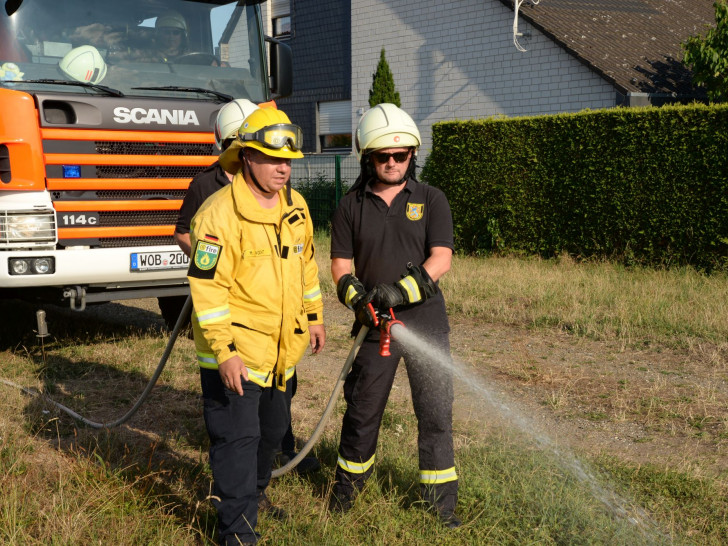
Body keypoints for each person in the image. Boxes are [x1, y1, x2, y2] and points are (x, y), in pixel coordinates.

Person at [188, 107, 325, 545]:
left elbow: (306, 265)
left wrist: (316, 317)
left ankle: (254, 498)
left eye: (288, 161)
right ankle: (237, 532)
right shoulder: (217, 214)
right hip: (236, 357)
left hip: (280, 354)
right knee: (238, 442)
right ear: (246, 155)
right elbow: (207, 290)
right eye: (272, 159)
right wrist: (225, 352)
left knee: (270, 435)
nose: (283, 168)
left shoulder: (296, 206)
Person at [328, 103, 460, 528]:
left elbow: (441, 259)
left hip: (425, 320)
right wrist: (357, 298)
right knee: (362, 410)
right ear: (368, 157)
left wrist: (396, 292)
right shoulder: (350, 206)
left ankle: (440, 508)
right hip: (374, 324)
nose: (391, 162)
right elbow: (340, 266)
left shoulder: (431, 199)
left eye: (400, 155)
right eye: (383, 156)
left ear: (412, 157)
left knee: (435, 412)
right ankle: (346, 498)